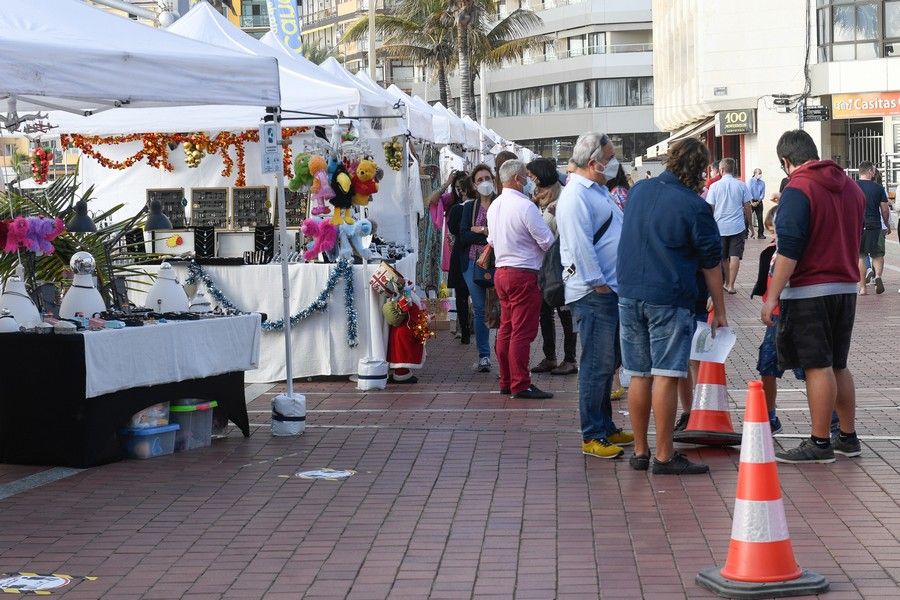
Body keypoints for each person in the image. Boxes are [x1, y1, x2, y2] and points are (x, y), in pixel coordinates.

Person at [617, 137, 727, 475]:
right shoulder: (695, 206)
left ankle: (640, 450)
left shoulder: (638, 192)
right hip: (668, 295)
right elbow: (711, 263)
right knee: (666, 373)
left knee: (638, 373)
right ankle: (664, 455)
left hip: (629, 291)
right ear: (699, 170)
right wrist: (719, 309)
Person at [762, 129, 864, 464]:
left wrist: (771, 297)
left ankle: (819, 442)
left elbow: (788, 250)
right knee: (838, 364)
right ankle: (846, 436)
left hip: (809, 290)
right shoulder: (851, 187)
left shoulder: (798, 188)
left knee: (817, 365)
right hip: (845, 285)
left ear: (785, 161)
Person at [557, 133, 635, 459]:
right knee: (595, 365)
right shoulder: (576, 196)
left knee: (606, 364)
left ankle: (605, 425)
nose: (614, 162)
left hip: (608, 290)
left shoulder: (597, 189)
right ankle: (593, 433)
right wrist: (598, 284)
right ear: (593, 162)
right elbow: (580, 246)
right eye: (610, 156)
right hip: (593, 293)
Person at [487, 160, 555, 399]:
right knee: (522, 332)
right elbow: (546, 241)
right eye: (526, 177)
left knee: (506, 328)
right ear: (517, 179)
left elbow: (492, 241)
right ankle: (520, 383)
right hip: (524, 272)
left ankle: (507, 380)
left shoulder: (494, 206)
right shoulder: (525, 206)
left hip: (502, 271)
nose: (529, 181)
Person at [751, 206, 805, 434]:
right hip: (776, 318)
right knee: (767, 365)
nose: (774, 236)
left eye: (776, 231)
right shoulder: (771, 252)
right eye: (771, 231)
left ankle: (832, 421)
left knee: (812, 370)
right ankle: (770, 417)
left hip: (799, 315)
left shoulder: (797, 251)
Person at [526, 158, 578, 375]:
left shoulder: (562, 198)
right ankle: (550, 357)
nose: (530, 180)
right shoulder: (537, 198)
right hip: (543, 266)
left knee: (565, 313)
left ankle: (570, 359)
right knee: (544, 312)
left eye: (531, 175)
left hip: (561, 265)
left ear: (540, 175)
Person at [427, 170, 475, 343]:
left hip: (465, 248)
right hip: (452, 247)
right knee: (461, 290)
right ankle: (463, 327)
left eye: (461, 187)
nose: (459, 191)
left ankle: (467, 326)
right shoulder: (450, 201)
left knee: (468, 290)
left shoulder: (469, 205)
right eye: (456, 187)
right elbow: (431, 200)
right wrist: (447, 183)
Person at [459, 164, 497, 372]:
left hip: (498, 262)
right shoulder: (469, 207)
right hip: (472, 263)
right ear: (474, 184)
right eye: (480, 179)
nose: (485, 182)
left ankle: (504, 349)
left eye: (487, 178)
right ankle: (484, 355)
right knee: (481, 307)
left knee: (500, 306)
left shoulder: (501, 203)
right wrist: (489, 235)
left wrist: (482, 229)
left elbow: (504, 231)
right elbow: (464, 235)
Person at [706, 157, 752, 294]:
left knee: (723, 257)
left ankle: (726, 282)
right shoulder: (741, 185)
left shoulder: (714, 187)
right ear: (733, 169)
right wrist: (750, 225)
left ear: (721, 170)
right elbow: (747, 206)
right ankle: (731, 285)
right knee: (735, 256)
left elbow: (710, 207)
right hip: (737, 226)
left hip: (719, 227)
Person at [856, 161, 891, 295]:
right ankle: (877, 277)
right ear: (870, 171)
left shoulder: (853, 186)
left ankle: (863, 288)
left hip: (859, 225)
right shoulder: (878, 188)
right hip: (875, 224)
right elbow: (885, 209)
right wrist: (886, 224)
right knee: (877, 254)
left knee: (861, 255)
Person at [748, 168, 766, 239]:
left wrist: (758, 201)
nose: (760, 175)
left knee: (760, 218)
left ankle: (760, 234)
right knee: (747, 217)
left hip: (759, 201)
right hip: (751, 201)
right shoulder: (750, 182)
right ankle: (745, 234)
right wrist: (752, 202)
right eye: (759, 173)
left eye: (761, 173)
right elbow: (748, 192)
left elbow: (762, 193)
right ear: (755, 174)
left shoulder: (762, 183)